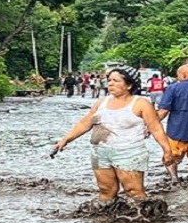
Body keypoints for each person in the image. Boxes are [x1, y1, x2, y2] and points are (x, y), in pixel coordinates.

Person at [52, 66, 173, 206]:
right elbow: (85, 123)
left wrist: (167, 150)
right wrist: (65, 140)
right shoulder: (101, 102)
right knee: (106, 191)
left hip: (129, 152)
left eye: (116, 81)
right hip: (100, 153)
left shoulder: (141, 103)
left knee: (133, 192)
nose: (110, 83)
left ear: (129, 85)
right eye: (109, 80)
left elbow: (156, 128)